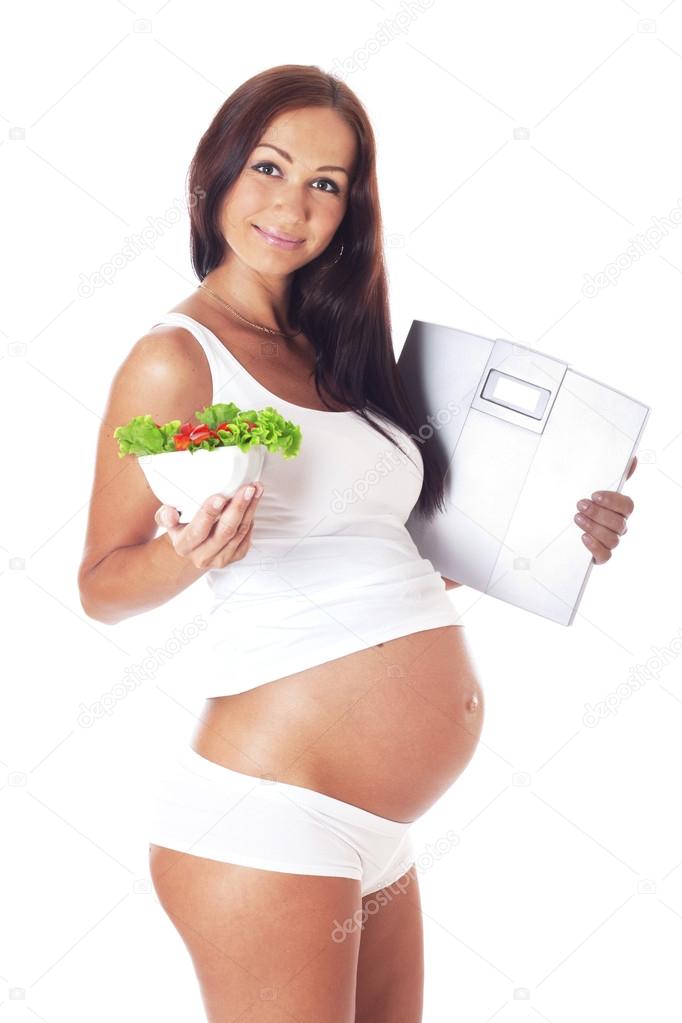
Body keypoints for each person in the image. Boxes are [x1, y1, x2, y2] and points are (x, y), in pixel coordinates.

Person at [78, 64, 637, 1023]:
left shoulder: (341, 355)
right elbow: (100, 584)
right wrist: (188, 554)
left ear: (350, 208)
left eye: (326, 184)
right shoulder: (177, 357)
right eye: (269, 166)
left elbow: (385, 565)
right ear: (215, 174)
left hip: (376, 830)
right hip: (268, 816)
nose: (292, 204)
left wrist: (558, 526)